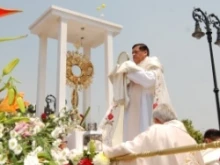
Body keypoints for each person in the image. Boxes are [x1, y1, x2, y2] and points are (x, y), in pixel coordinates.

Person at [103, 104, 205, 165]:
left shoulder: (157, 130)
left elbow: (129, 149)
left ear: (156, 120)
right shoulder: (191, 140)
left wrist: (104, 151)